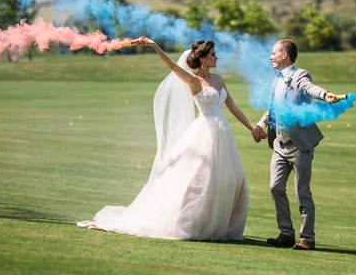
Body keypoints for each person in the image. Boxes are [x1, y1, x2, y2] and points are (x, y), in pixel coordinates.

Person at [78, 38, 254, 240]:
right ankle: (189, 223)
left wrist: (252, 127)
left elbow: (232, 106)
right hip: (204, 132)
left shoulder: (219, 80)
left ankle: (219, 226)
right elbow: (171, 65)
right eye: (213, 54)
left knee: (229, 179)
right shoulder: (194, 80)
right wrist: (155, 46)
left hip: (223, 134)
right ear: (203, 59)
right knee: (199, 179)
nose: (217, 57)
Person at [251, 39, 337, 251]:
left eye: (274, 53)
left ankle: (308, 238)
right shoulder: (276, 80)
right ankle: (286, 234)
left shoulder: (300, 75)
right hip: (279, 143)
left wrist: (324, 95)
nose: (271, 57)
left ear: (285, 55)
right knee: (275, 187)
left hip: (300, 143)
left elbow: (310, 89)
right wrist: (261, 125)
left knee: (302, 192)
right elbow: (272, 109)